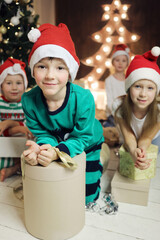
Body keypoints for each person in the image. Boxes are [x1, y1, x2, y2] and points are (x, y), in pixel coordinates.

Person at [22, 23, 104, 205]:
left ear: (69, 73)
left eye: (60, 68)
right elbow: (43, 133)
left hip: (88, 142)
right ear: (33, 70)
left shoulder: (83, 99)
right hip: (59, 142)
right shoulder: (29, 100)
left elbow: (82, 138)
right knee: (58, 192)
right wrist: (44, 148)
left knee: (88, 198)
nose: (50, 75)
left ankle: (97, 166)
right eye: (42, 66)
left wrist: (58, 152)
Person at [112, 46, 160, 170]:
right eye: (138, 86)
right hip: (130, 137)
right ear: (129, 88)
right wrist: (134, 152)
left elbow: (147, 137)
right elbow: (128, 136)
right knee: (127, 157)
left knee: (152, 162)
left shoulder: (159, 110)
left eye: (150, 88)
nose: (143, 94)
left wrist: (142, 152)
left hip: (152, 139)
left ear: (156, 91)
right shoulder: (119, 106)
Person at [0, 57, 33, 181]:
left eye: (18, 83)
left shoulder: (28, 104)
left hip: (24, 143)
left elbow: (29, 127)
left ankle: (14, 169)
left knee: (30, 160)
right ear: (1, 86)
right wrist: (15, 127)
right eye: (9, 83)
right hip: (4, 144)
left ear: (24, 85)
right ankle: (12, 169)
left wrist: (9, 123)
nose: (14, 88)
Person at [104, 44, 130, 127]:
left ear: (127, 63)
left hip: (127, 112)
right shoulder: (109, 80)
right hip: (113, 113)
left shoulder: (129, 80)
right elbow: (109, 101)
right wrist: (117, 114)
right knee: (115, 126)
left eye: (123, 61)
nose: (120, 63)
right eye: (117, 60)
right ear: (113, 62)